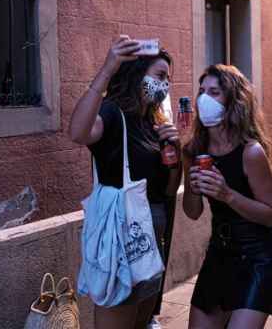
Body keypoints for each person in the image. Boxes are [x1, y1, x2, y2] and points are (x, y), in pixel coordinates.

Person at [69, 35, 182, 329]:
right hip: (122, 235)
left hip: (152, 238)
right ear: (136, 75)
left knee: (141, 322)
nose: (165, 85)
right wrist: (108, 68)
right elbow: (78, 132)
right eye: (159, 76)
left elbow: (169, 191)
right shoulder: (112, 112)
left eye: (168, 78)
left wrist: (175, 154)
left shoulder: (153, 122)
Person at [183, 64, 272, 328]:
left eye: (214, 92)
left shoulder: (250, 152)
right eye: (201, 91)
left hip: (259, 254)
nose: (204, 98)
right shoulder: (195, 150)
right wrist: (194, 185)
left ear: (234, 101)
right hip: (220, 251)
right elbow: (192, 212)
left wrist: (227, 194)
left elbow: (270, 215)